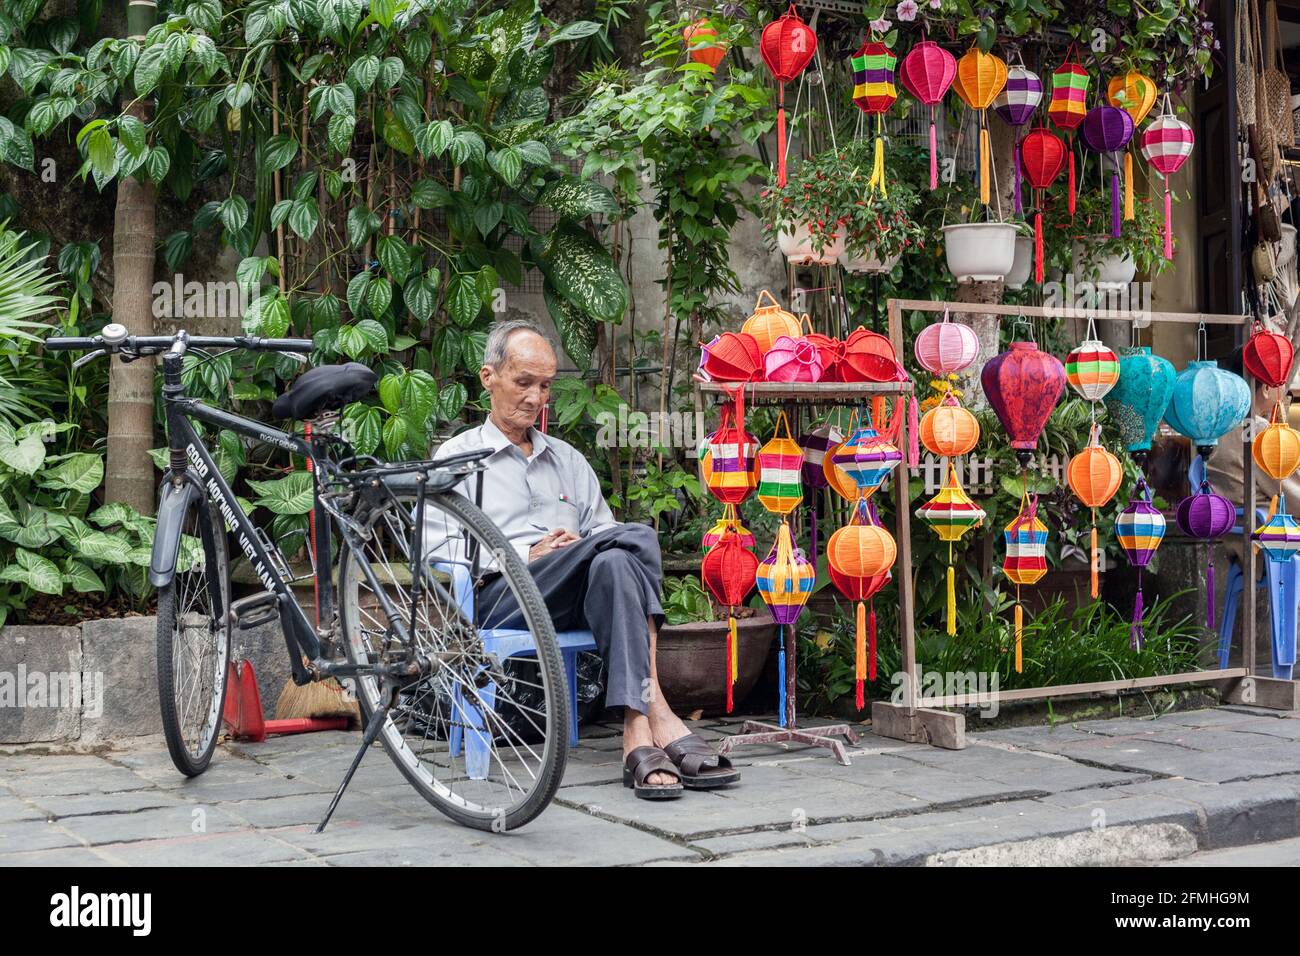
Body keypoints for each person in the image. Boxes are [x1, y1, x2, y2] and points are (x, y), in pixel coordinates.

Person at [426, 318, 739, 798]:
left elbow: (606, 539)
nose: (535, 397)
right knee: (635, 538)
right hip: (500, 596)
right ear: (489, 377)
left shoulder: (568, 460)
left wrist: (576, 549)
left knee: (616, 560)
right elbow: (436, 550)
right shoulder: (457, 458)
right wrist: (526, 553)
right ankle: (656, 711)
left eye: (546, 386)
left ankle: (636, 725)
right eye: (523, 382)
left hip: (571, 594)